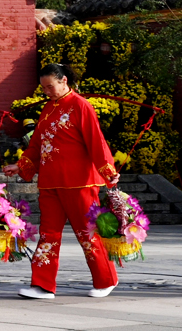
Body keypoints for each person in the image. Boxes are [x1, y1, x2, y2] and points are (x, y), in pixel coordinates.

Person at [14, 65, 119, 300]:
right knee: (48, 233)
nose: (46, 92)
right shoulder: (48, 109)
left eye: (50, 87)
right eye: (43, 88)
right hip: (50, 181)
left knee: (87, 232)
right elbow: (37, 144)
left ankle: (106, 279)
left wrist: (108, 170)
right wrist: (20, 166)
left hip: (79, 182)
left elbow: (96, 140)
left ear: (63, 81)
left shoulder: (81, 105)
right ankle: (42, 285)